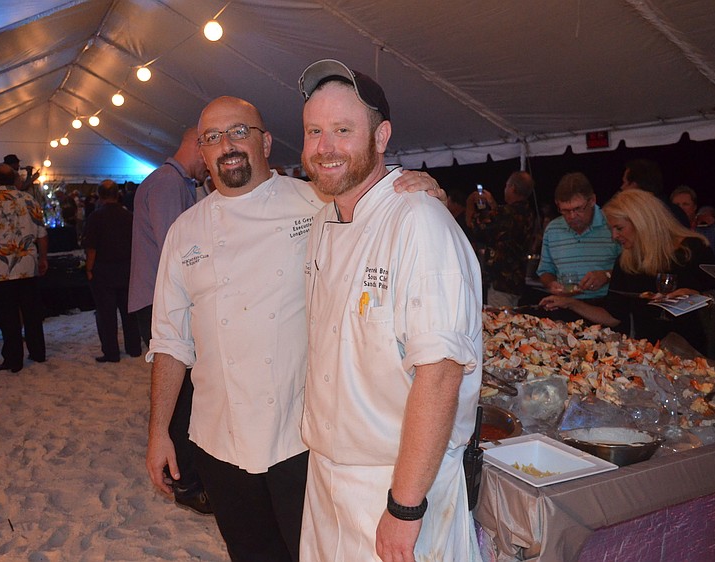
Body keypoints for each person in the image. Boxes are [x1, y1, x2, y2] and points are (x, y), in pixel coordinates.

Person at [145, 95, 445, 561]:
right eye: (212, 137)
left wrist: (416, 184)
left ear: (265, 142)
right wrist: (159, 431)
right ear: (201, 154)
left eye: (239, 131)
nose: (227, 145)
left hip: (301, 440)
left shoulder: (317, 202)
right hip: (217, 439)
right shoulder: (184, 232)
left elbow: (378, 207)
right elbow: (169, 341)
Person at [299, 59, 483, 562]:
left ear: (381, 137)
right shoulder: (320, 221)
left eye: (342, 130)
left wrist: (404, 508)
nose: (325, 147)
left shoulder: (419, 221)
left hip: (398, 487)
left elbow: (441, 373)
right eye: (314, 131)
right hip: (327, 481)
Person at [130, 126, 211, 514]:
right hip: (160, 300)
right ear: (198, 145)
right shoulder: (166, 184)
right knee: (179, 397)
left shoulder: (172, 181)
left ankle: (191, 476)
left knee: (186, 395)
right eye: (209, 146)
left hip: (164, 298)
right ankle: (187, 483)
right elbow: (175, 249)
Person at [541, 189, 715, 353]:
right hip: (649, 354)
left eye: (619, 228)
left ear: (641, 222)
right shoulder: (627, 261)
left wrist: (696, 296)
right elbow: (613, 316)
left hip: (694, 353)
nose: (614, 237)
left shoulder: (692, 249)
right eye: (612, 229)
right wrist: (570, 303)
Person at [0, 163, 48, 373]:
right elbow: (42, 233)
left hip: (0, 268)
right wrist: (42, 258)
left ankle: (13, 359)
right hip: (27, 263)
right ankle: (38, 352)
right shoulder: (29, 199)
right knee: (31, 311)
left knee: (7, 315)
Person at [536, 172, 621, 304]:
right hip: (566, 305)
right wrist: (551, 284)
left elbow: (631, 268)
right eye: (565, 210)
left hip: (607, 305)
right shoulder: (553, 229)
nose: (572, 216)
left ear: (592, 200)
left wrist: (606, 275)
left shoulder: (613, 223)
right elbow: (545, 270)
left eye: (578, 208)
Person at [81, 180, 141, 363]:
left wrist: (89, 268)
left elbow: (91, 247)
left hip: (103, 270)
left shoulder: (96, 217)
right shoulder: (129, 215)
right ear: (118, 194)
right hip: (126, 268)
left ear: (99, 195)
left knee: (106, 314)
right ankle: (134, 347)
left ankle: (111, 352)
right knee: (129, 312)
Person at [467, 171, 539, 307]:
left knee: (499, 322)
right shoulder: (528, 212)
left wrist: (470, 200)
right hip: (517, 282)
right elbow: (502, 225)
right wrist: (493, 203)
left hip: (500, 283)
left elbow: (472, 223)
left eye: (506, 186)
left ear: (512, 188)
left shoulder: (505, 213)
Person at [669, 185, 715, 266]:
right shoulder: (665, 232)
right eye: (677, 205)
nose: (681, 208)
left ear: (694, 207)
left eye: (685, 204)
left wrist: (708, 271)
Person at [620, 158, 690, 227]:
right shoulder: (676, 212)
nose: (622, 188)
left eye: (624, 182)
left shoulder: (639, 216)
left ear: (635, 185)